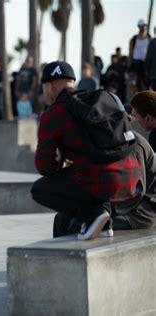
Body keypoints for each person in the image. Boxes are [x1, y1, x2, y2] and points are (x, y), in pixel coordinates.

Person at [31, 61, 143, 240]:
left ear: (51, 87)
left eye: (43, 88)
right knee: (63, 219)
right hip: (134, 182)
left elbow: (44, 166)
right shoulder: (105, 99)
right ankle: (102, 223)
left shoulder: (54, 114)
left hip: (103, 183)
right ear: (73, 83)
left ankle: (96, 215)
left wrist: (60, 160)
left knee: (39, 189)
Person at [53, 132, 155, 236]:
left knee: (79, 225)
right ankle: (55, 252)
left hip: (141, 211)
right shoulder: (106, 142)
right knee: (61, 219)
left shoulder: (133, 145)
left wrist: (105, 210)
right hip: (120, 203)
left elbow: (136, 192)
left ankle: (77, 251)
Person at [129, 19, 151, 91]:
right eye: (141, 26)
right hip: (136, 63)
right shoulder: (134, 39)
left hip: (146, 63)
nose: (143, 28)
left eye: (144, 26)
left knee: (146, 82)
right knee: (136, 83)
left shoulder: (149, 38)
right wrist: (129, 64)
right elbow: (130, 52)